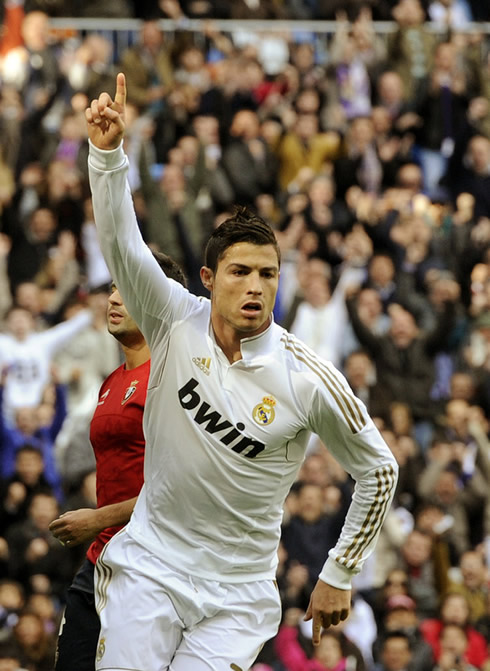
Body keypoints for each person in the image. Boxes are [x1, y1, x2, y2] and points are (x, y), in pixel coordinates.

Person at [85, 73, 398, 671]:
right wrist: (107, 155)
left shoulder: (306, 376)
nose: (255, 286)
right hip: (151, 564)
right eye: (240, 272)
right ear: (208, 280)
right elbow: (122, 243)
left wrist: (340, 570)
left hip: (238, 597)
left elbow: (379, 468)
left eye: (267, 274)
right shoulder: (173, 316)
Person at [48, 253, 187, 671]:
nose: (113, 298)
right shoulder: (111, 382)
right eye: (111, 288)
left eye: (126, 290)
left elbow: (179, 487)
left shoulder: (174, 380)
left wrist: (96, 517)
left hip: (154, 564)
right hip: (102, 556)